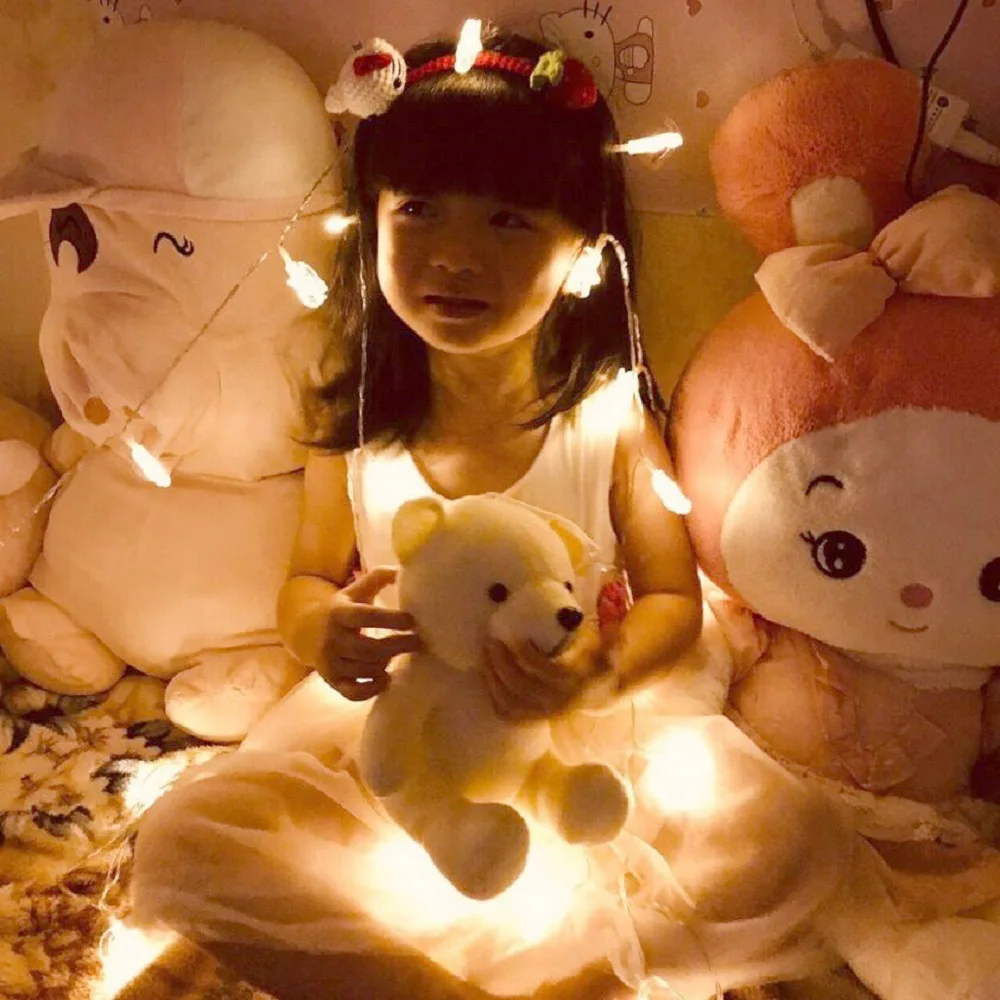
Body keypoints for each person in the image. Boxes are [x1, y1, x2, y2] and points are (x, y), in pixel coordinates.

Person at [131, 26, 703, 1000]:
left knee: (754, 844)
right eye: (419, 210)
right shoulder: (357, 420)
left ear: (581, 240)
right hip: (402, 735)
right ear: (373, 221)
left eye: (508, 221)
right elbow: (307, 577)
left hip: (567, 735)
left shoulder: (604, 416)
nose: (454, 255)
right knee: (185, 842)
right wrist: (321, 632)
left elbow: (673, 601)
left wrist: (591, 676)